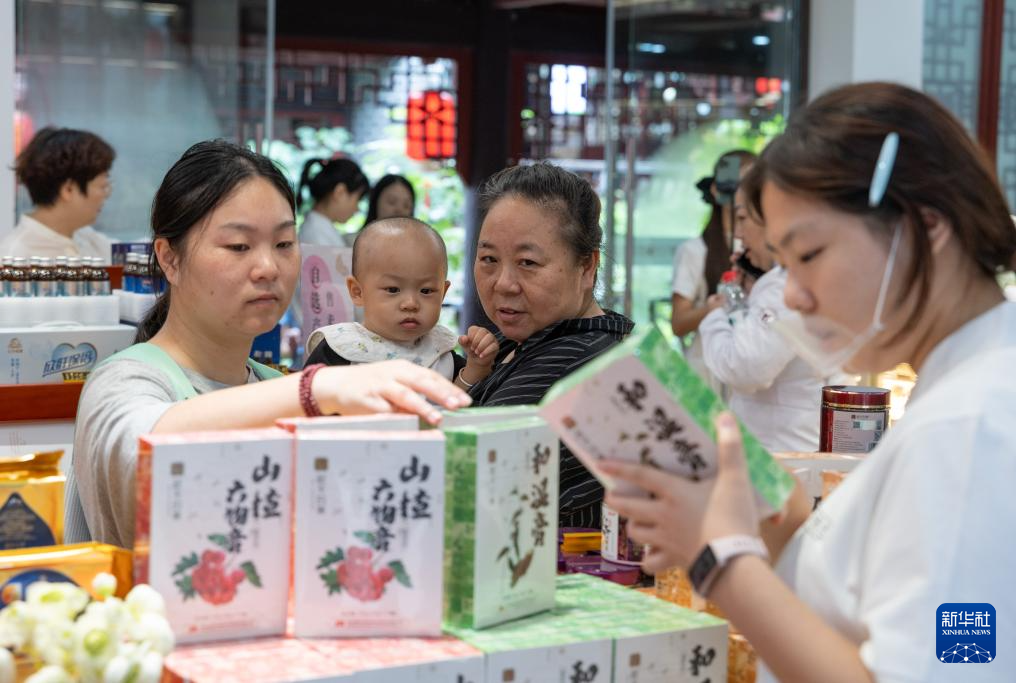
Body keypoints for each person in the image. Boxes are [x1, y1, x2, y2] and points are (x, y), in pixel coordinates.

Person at [602, 82, 1016, 682]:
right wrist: (785, 521)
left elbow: (953, 666)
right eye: (782, 263)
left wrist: (718, 560)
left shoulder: (969, 426)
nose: (793, 295)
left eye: (810, 255)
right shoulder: (964, 390)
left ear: (925, 227)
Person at [66, 141, 470, 549]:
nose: (268, 268)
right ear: (170, 258)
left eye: (283, 244)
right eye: (238, 246)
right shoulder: (124, 380)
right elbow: (143, 450)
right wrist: (315, 389)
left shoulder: (272, 384)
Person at [468, 162, 635, 528]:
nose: (503, 283)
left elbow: (457, 478)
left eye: (527, 262)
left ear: (586, 267)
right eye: (489, 259)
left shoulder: (575, 363)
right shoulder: (516, 341)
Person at [698, 169, 827, 453]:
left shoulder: (785, 286)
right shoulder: (780, 281)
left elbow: (743, 368)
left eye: (743, 218)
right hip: (783, 449)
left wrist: (715, 314)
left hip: (785, 454)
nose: (738, 234)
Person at [304, 216, 499, 390]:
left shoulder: (440, 351)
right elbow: (307, 403)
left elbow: (456, 402)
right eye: (393, 290)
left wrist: (475, 367)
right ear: (358, 292)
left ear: (443, 293)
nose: (411, 304)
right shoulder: (340, 348)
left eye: (426, 291)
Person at [671, 150, 756, 391]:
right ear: (718, 190)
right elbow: (678, 323)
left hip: (751, 372)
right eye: (741, 184)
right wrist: (714, 307)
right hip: (706, 377)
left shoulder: (767, 251)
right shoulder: (694, 251)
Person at [1, 127, 115, 263]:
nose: (106, 195)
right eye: (103, 187)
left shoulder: (86, 237)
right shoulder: (14, 257)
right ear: (68, 190)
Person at [296, 156, 370, 247]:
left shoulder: (319, 229)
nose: (357, 209)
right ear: (340, 192)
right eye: (358, 200)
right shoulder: (317, 236)